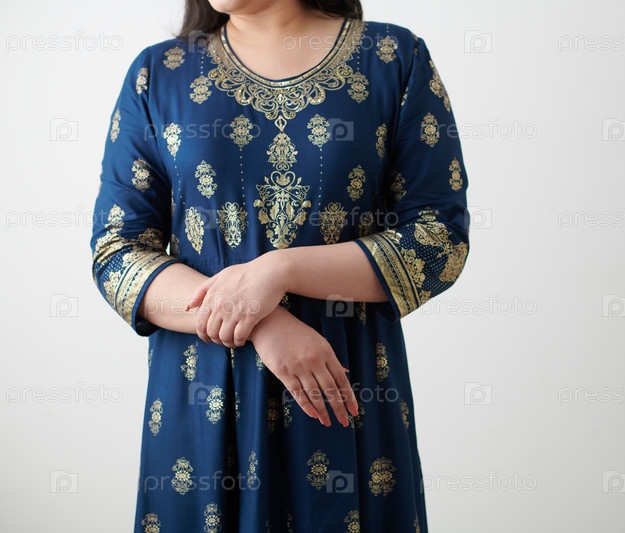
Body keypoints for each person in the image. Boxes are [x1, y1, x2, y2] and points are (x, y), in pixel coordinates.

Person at [90, 0, 469, 530]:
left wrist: (281, 271)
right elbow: (118, 252)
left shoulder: (392, 58)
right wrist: (260, 320)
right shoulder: (160, 74)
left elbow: (438, 240)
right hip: (202, 405)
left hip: (343, 392)